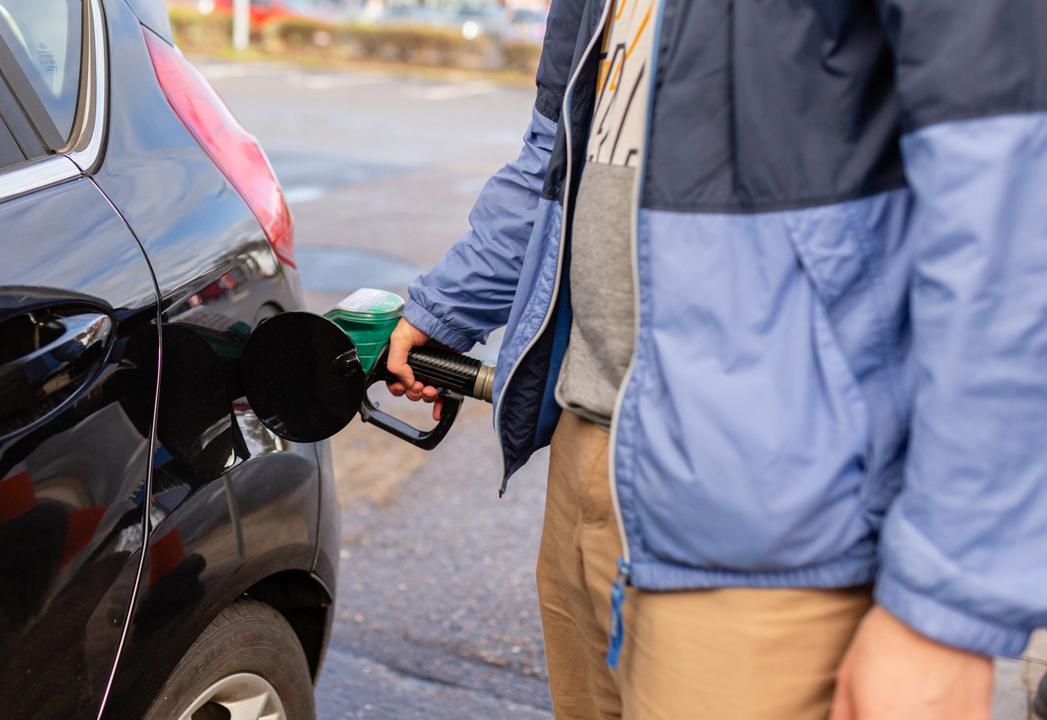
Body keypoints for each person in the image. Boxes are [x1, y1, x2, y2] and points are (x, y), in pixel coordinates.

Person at [384, 0, 1047, 717]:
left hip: (781, 510)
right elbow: (558, 149)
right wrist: (448, 308)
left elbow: (1005, 220)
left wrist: (944, 611)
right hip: (586, 456)